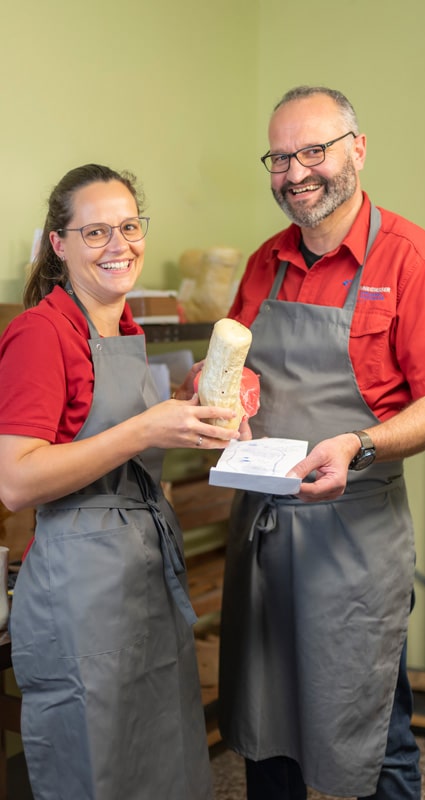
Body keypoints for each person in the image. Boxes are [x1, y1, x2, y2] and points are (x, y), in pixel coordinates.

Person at [218, 86, 425, 800]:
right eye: (280, 157)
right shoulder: (265, 262)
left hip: (354, 540)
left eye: (313, 150)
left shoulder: (412, 259)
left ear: (358, 148)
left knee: (372, 727)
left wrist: (357, 444)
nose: (296, 172)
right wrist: (227, 407)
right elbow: (236, 377)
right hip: (262, 528)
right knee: (265, 724)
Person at [0, 163, 245, 800]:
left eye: (130, 227)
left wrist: (207, 415)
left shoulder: (130, 330)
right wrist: (145, 430)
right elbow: (16, 482)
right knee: (97, 768)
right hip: (80, 590)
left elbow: (139, 455)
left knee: (160, 756)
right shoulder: (38, 333)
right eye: (96, 232)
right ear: (59, 244)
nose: (120, 246)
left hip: (145, 575)